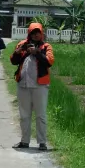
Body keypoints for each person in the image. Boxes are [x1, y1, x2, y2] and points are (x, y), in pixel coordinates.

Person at [9, 23, 54, 151]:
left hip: (40, 85)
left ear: (41, 33)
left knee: (41, 115)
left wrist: (37, 52)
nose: (36, 34)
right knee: (24, 115)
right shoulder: (22, 44)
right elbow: (13, 61)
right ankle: (24, 141)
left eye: (38, 32)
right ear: (29, 33)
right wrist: (19, 51)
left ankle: (42, 142)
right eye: (33, 32)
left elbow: (49, 62)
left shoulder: (46, 47)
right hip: (23, 84)